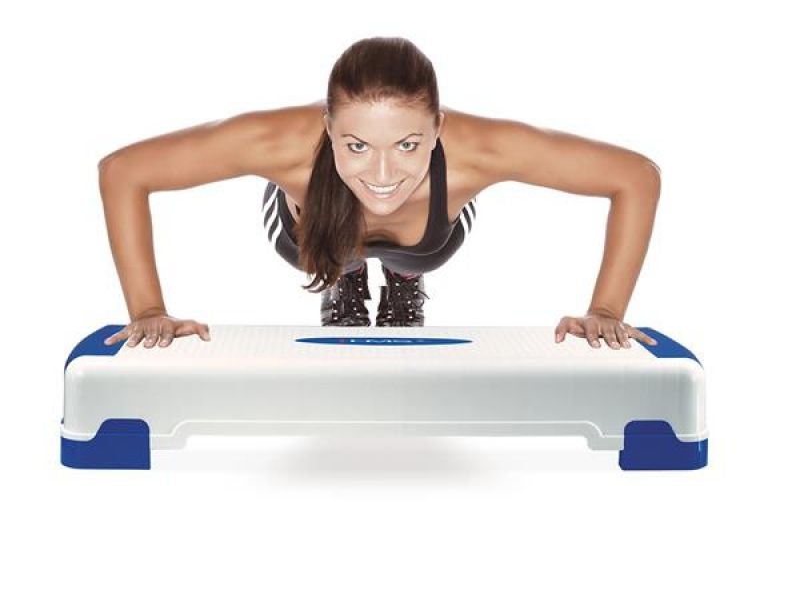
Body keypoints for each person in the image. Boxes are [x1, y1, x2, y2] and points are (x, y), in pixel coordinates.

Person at [99, 36, 660, 350]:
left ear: (438, 128)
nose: (385, 173)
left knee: (417, 252)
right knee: (331, 250)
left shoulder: (483, 150)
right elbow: (124, 171)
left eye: (409, 145)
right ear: (328, 128)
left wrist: (605, 310)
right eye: (358, 145)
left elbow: (635, 176)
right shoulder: (277, 143)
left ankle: (403, 278)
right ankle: (343, 278)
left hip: (428, 237)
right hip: (312, 230)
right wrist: (148, 310)